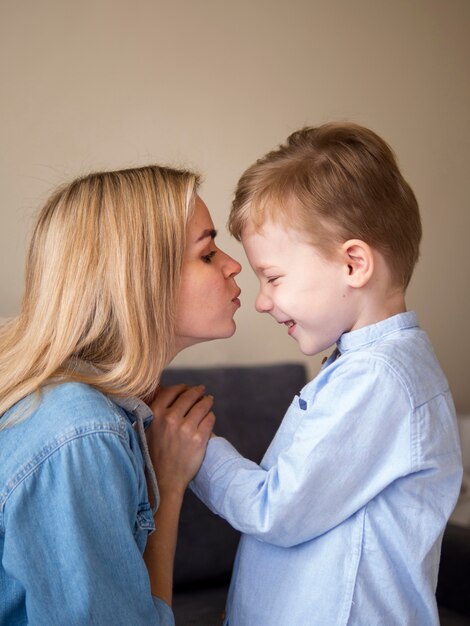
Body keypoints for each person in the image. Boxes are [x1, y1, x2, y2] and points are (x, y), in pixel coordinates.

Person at [187, 123, 463, 625]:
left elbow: (276, 510)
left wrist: (196, 450)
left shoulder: (380, 379)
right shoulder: (363, 367)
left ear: (353, 263)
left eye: (272, 277)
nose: (263, 300)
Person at [0, 164, 241, 625]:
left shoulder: (81, 409)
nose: (234, 265)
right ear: (140, 277)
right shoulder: (81, 432)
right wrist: (167, 487)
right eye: (208, 254)